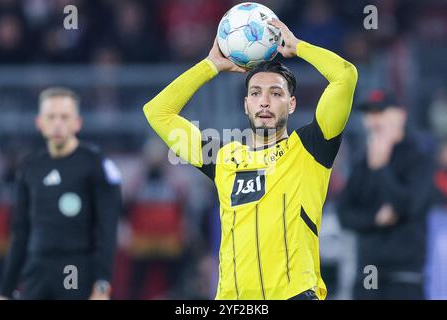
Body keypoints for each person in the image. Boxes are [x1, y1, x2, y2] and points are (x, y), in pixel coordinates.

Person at [144, 18, 357, 300]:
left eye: (276, 93)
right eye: (256, 93)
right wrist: (210, 66)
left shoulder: (311, 148)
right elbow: (157, 112)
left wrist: (299, 47)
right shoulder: (221, 158)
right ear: (246, 104)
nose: (265, 101)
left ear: (291, 104)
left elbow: (345, 75)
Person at [0, 87, 122, 300]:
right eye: (51, 117)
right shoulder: (30, 167)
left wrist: (102, 283)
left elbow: (107, 230)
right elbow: (20, 231)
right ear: (39, 123)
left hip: (74, 267)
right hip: (37, 269)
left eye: (64, 117)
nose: (57, 123)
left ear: (77, 123)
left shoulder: (95, 164)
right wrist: (5, 290)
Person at [337, 89, 434, 299]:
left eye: (380, 112)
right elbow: (344, 215)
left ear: (400, 115)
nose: (373, 120)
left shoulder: (419, 157)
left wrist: (381, 168)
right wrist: (375, 219)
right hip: (368, 273)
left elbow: (409, 206)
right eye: (369, 114)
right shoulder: (362, 162)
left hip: (404, 275)